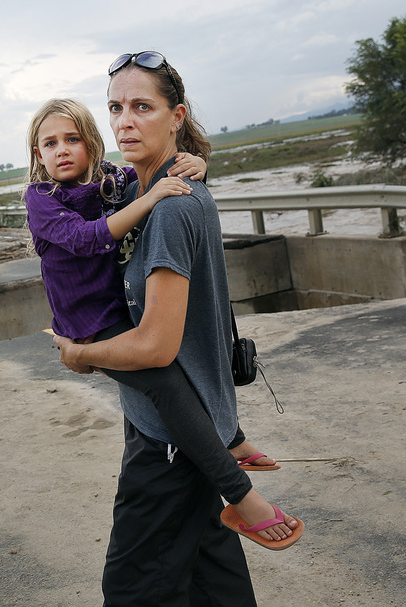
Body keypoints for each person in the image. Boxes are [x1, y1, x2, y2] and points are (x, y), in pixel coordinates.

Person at [53, 52, 303, 605]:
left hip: (171, 442)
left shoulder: (170, 209)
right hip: (180, 428)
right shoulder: (144, 194)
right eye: (116, 107)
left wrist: (81, 357)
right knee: (215, 585)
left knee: (133, 590)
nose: (125, 121)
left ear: (177, 117)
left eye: (143, 106)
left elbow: (155, 346)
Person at [23, 98, 278, 517]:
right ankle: (241, 494)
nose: (62, 150)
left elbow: (152, 176)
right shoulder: (42, 198)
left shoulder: (110, 180)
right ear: (38, 154)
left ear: (92, 143)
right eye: (49, 143)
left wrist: (194, 164)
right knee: (164, 383)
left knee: (178, 366)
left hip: (118, 306)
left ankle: (232, 439)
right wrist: (154, 196)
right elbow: (89, 238)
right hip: (88, 322)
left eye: (72, 139)